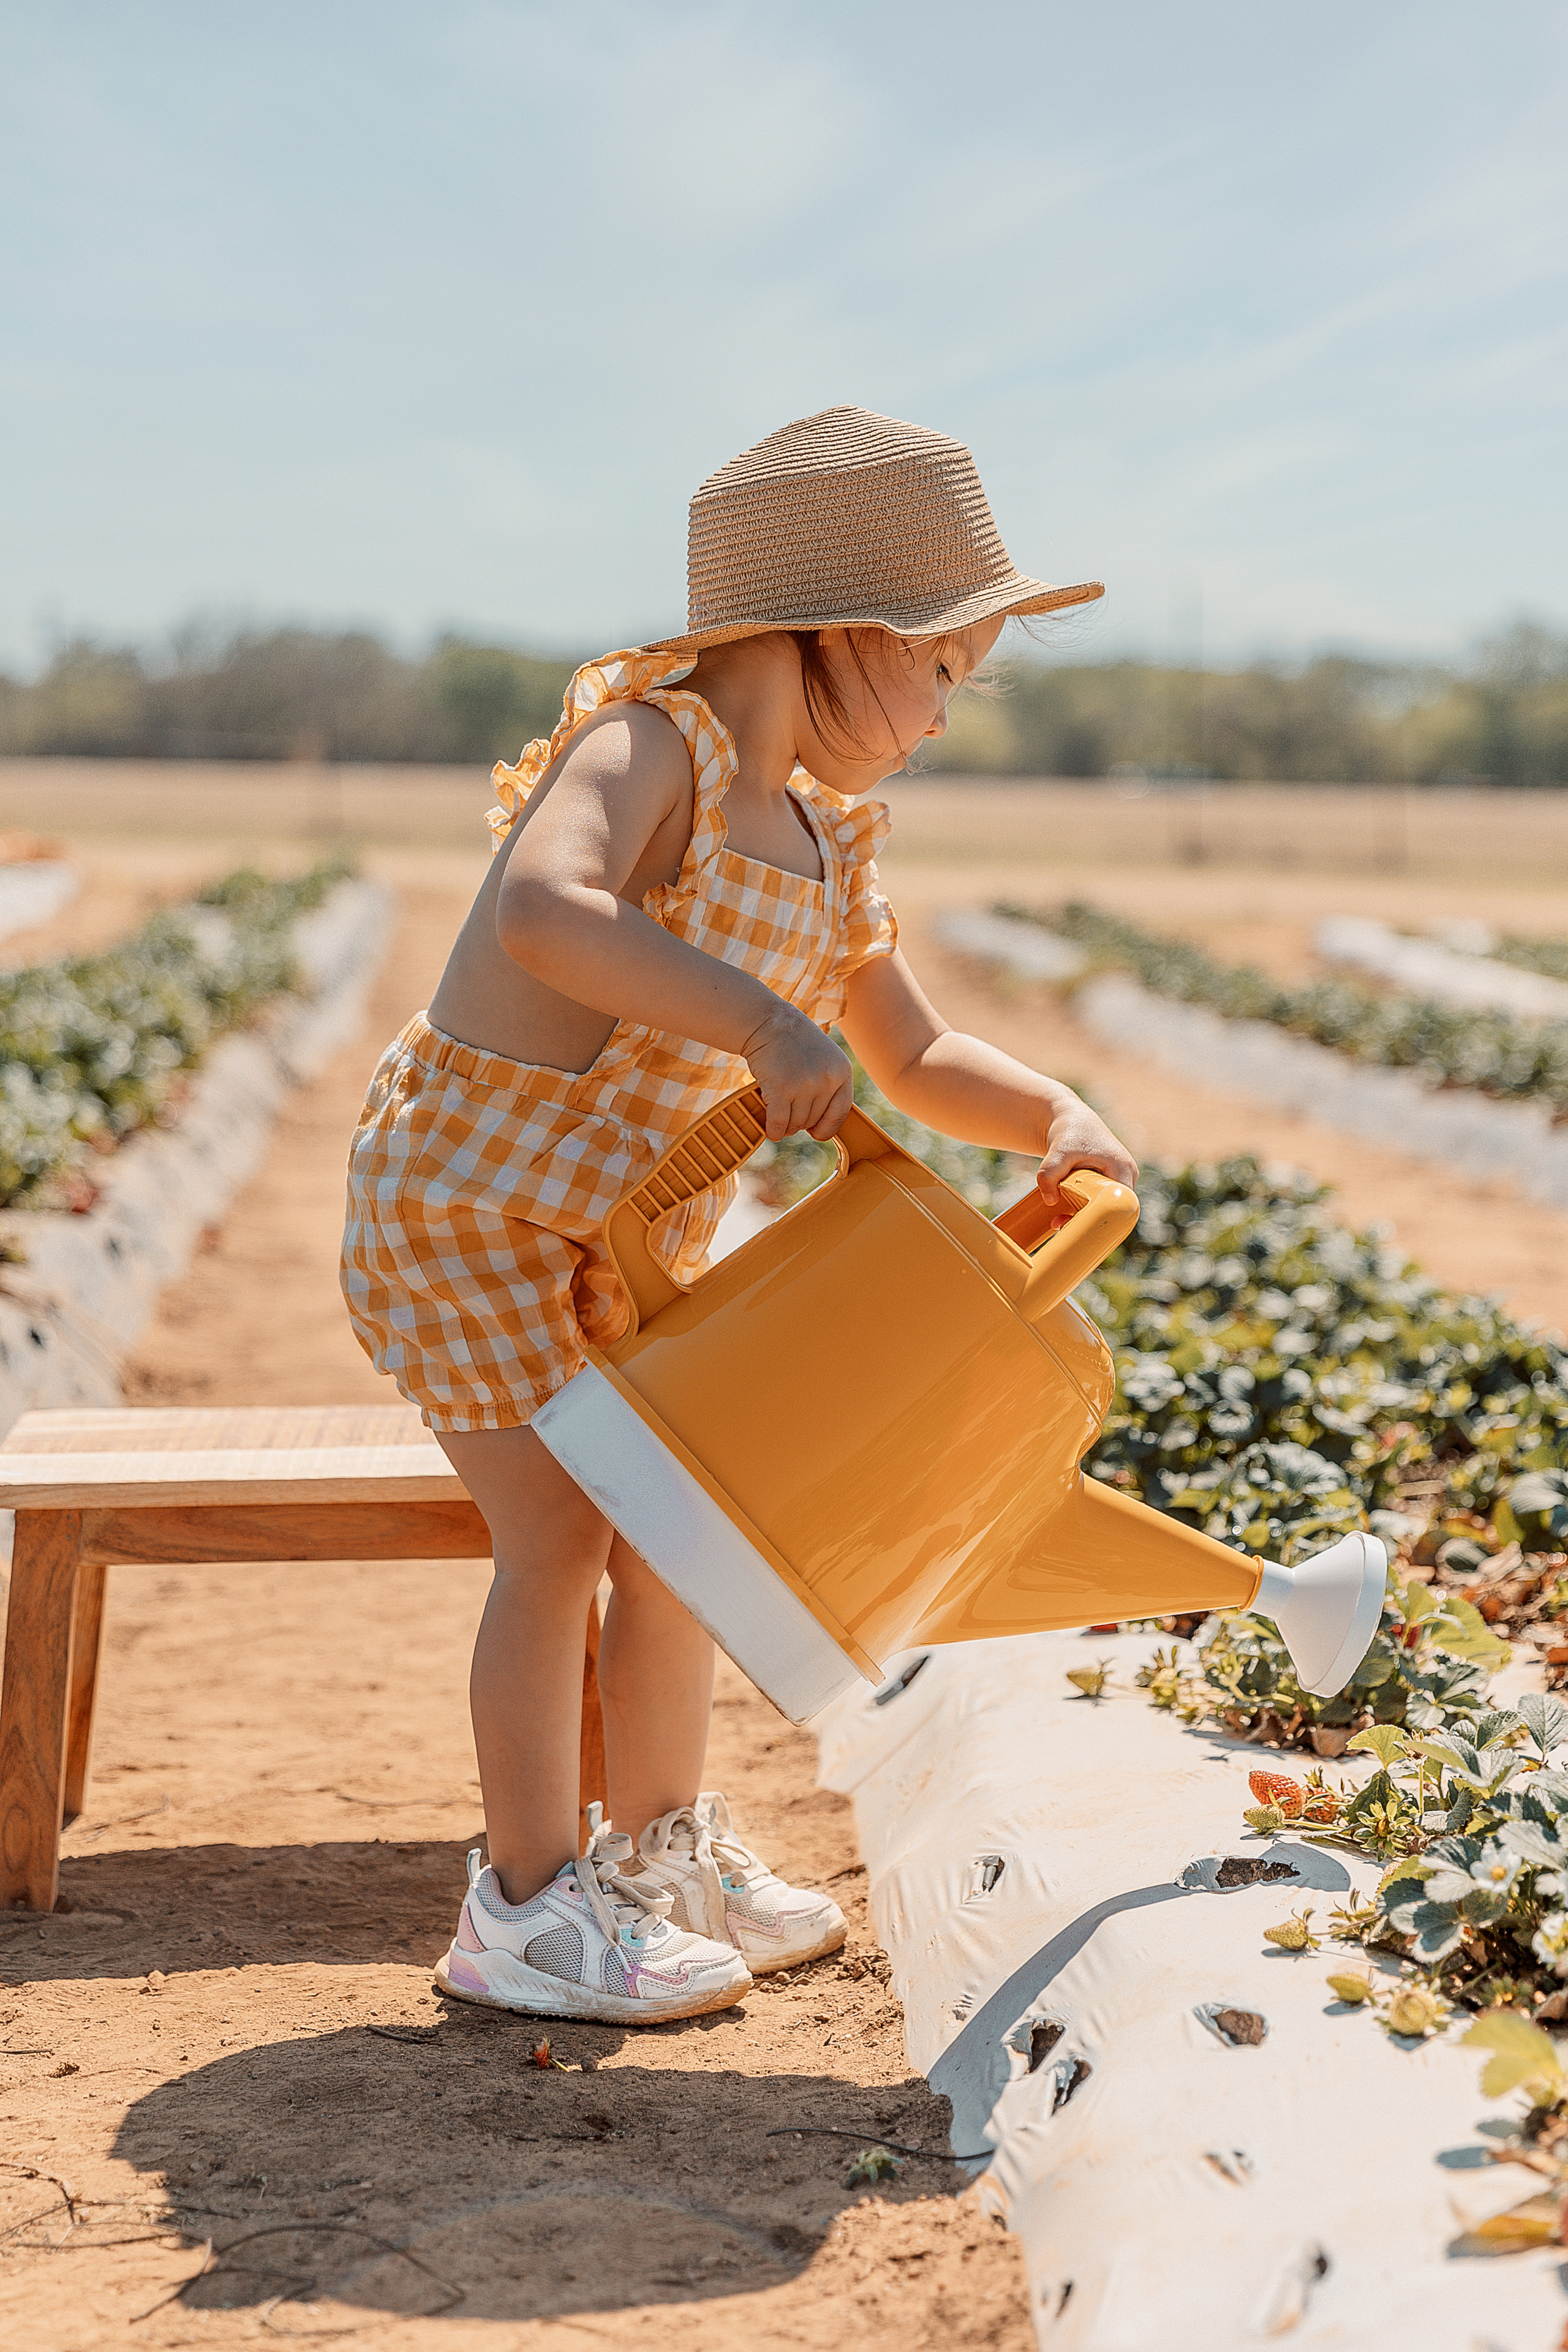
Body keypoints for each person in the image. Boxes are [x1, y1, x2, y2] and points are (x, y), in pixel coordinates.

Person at [341, 405, 1139, 2023]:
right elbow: (547, 909)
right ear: (853, 636)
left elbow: (907, 1051)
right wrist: (761, 1025)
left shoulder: (829, 842)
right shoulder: (656, 752)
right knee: (560, 1534)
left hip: (617, 1244)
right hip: (471, 1208)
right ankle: (522, 1905)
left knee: (680, 1538)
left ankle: (658, 1856)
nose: (941, 720)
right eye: (947, 672)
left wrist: (1050, 1113)